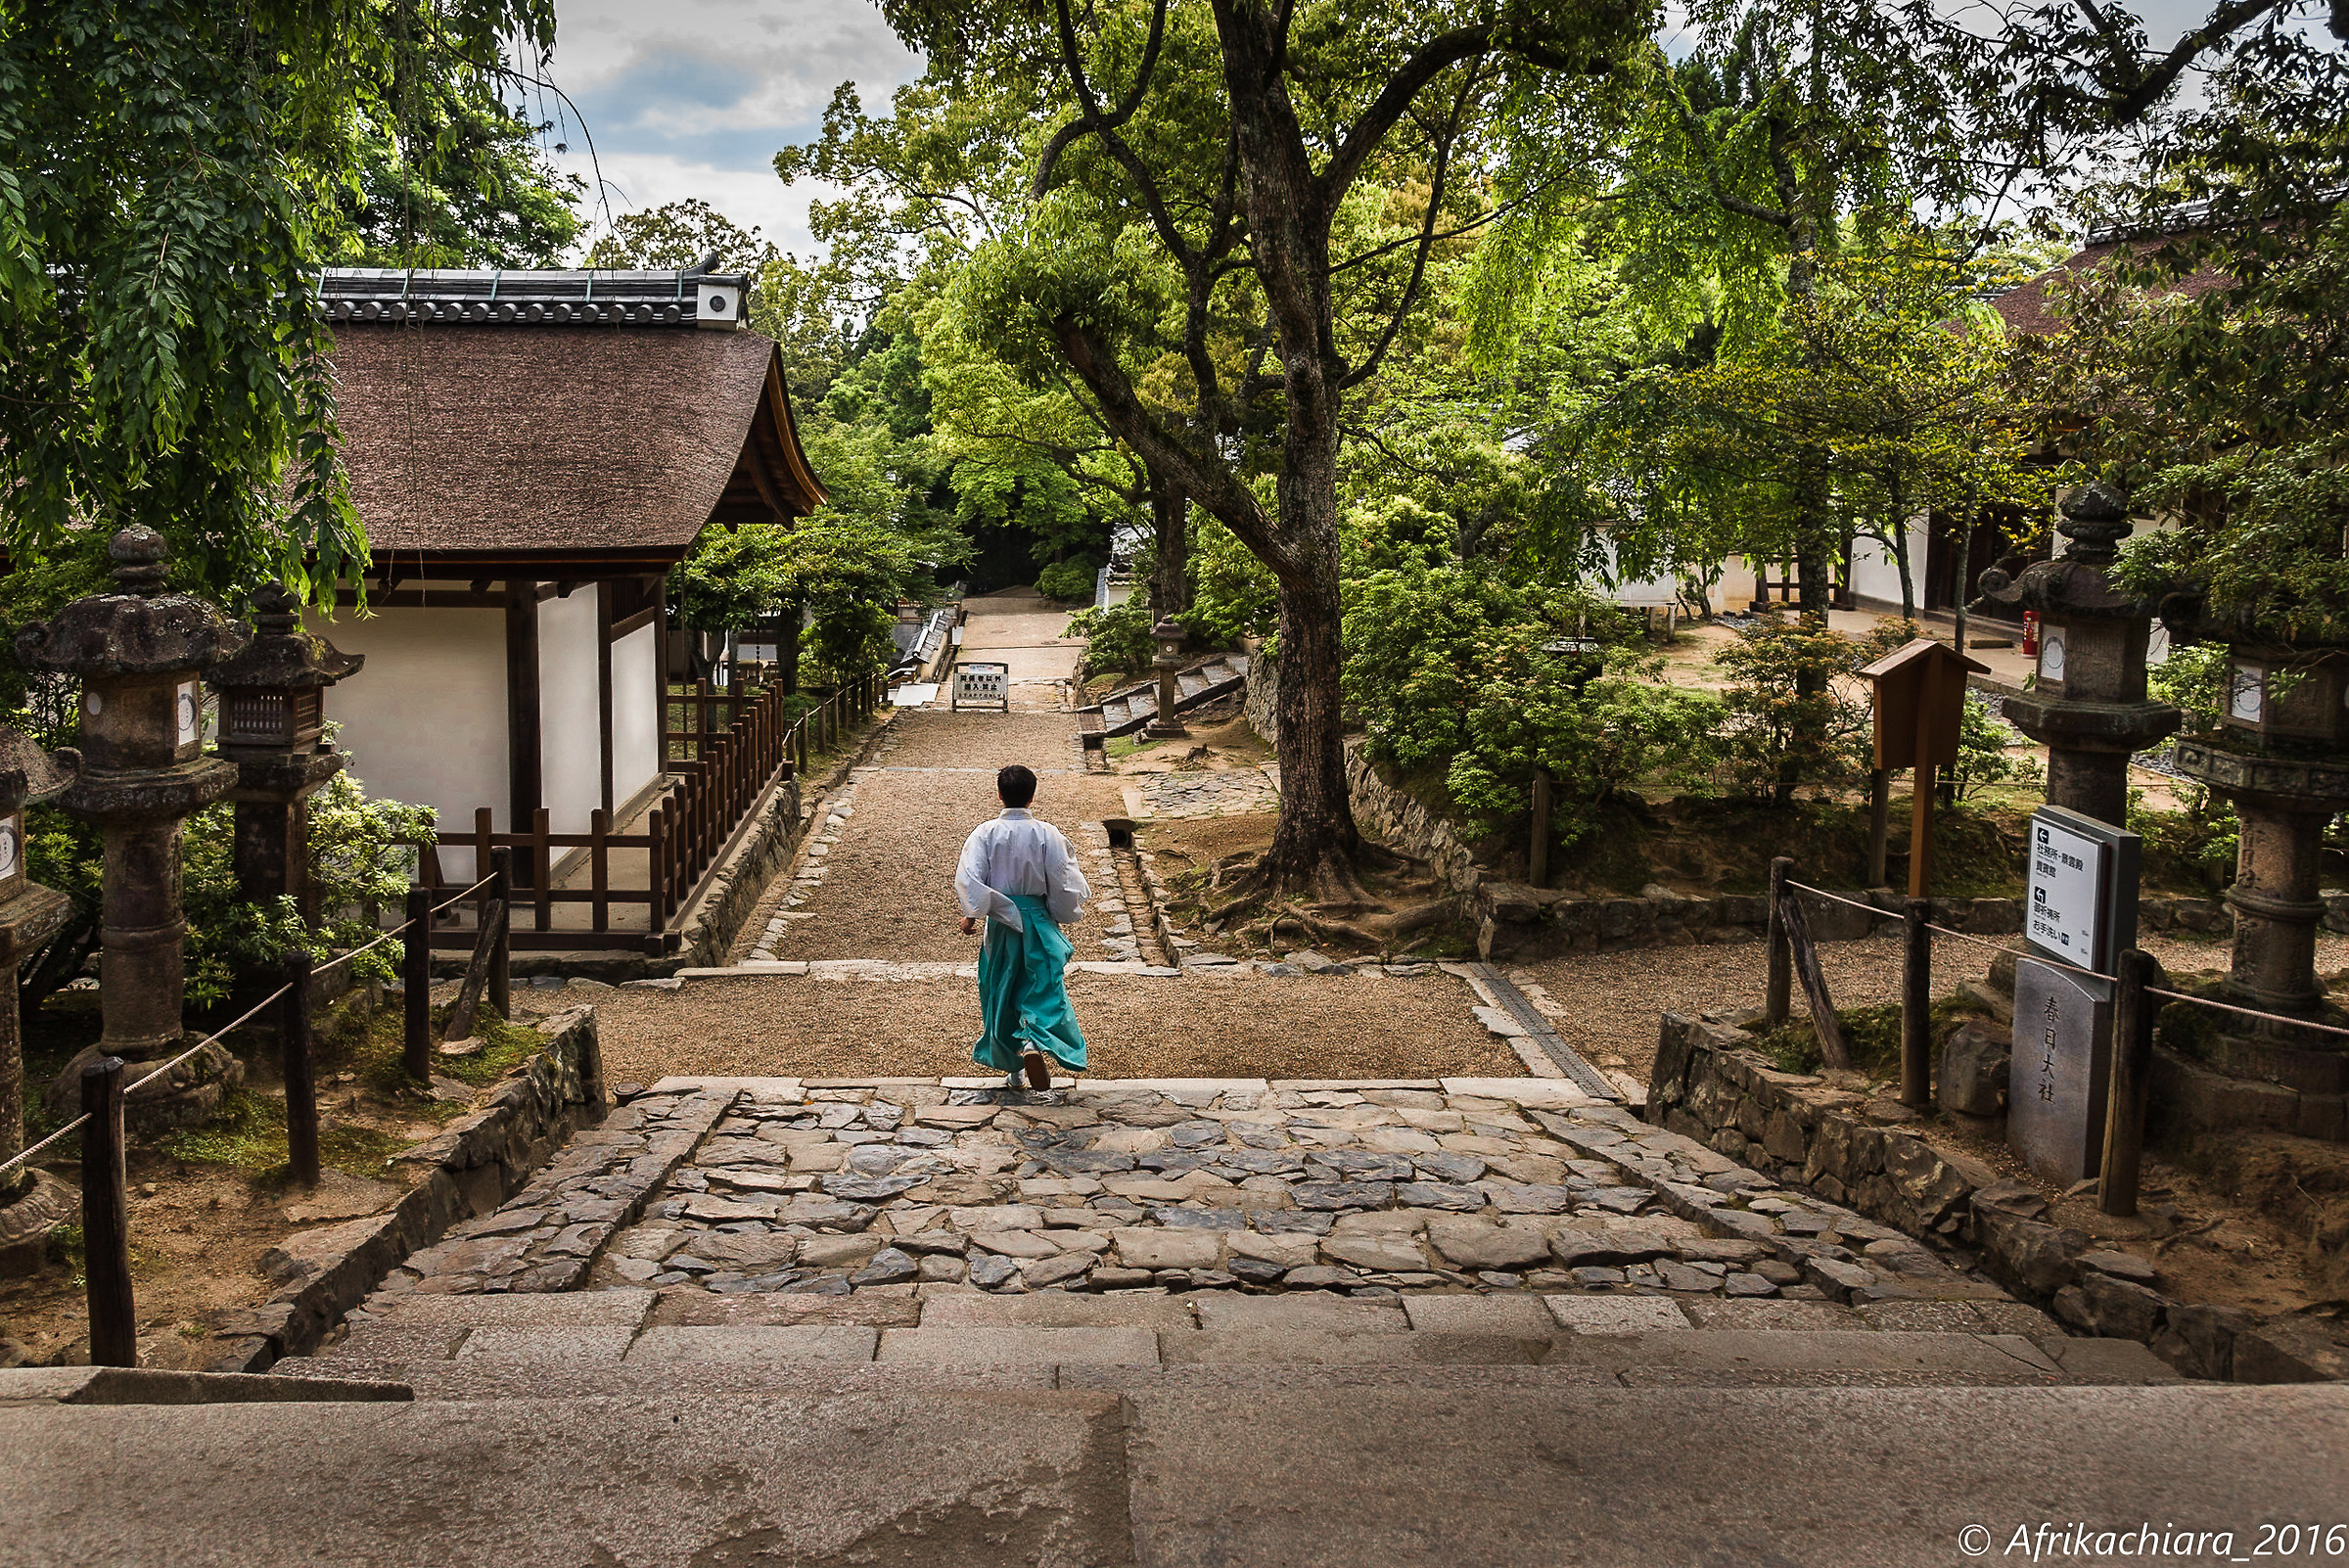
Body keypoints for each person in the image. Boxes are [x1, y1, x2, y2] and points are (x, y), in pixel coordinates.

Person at [955, 763, 1091, 1090]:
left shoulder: (985, 833)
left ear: (1000, 795)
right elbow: (1062, 878)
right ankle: (1034, 1041)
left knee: (1002, 987)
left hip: (1001, 923)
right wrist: (1062, 912)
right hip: (1037, 919)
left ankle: (1014, 1068)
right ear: (1032, 796)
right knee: (1043, 985)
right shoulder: (1047, 834)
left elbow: (971, 876)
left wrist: (971, 914)